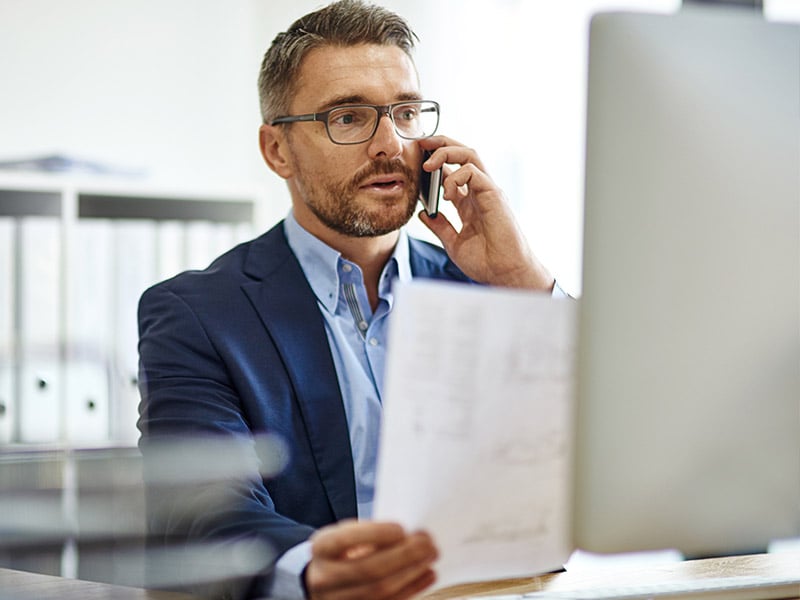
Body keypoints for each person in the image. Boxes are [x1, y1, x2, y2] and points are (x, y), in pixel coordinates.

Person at [137, 1, 565, 599]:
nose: (390, 144)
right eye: (348, 117)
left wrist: (524, 279)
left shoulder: (494, 290)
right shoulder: (198, 316)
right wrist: (310, 568)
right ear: (277, 150)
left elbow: (616, 450)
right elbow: (200, 509)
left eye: (406, 112)